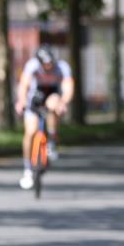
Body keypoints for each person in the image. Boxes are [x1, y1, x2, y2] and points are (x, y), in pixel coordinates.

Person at [14, 46, 74, 190]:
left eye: (50, 64)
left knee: (53, 103)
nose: (47, 67)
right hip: (35, 98)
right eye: (44, 65)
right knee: (30, 132)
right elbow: (23, 85)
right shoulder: (32, 66)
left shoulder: (62, 67)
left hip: (53, 96)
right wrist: (21, 101)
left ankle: (51, 141)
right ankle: (28, 168)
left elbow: (68, 87)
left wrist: (63, 103)